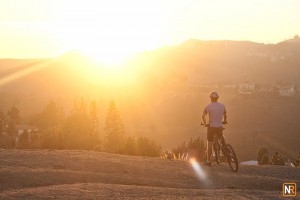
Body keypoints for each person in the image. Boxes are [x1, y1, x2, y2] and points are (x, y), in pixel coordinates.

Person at [202, 91, 227, 166]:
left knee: (209, 144)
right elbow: (225, 114)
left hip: (211, 127)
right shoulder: (222, 106)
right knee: (222, 137)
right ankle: (225, 150)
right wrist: (224, 120)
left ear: (211, 98)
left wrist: (205, 123)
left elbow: (203, 116)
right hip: (219, 126)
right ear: (217, 98)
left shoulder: (208, 106)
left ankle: (208, 161)